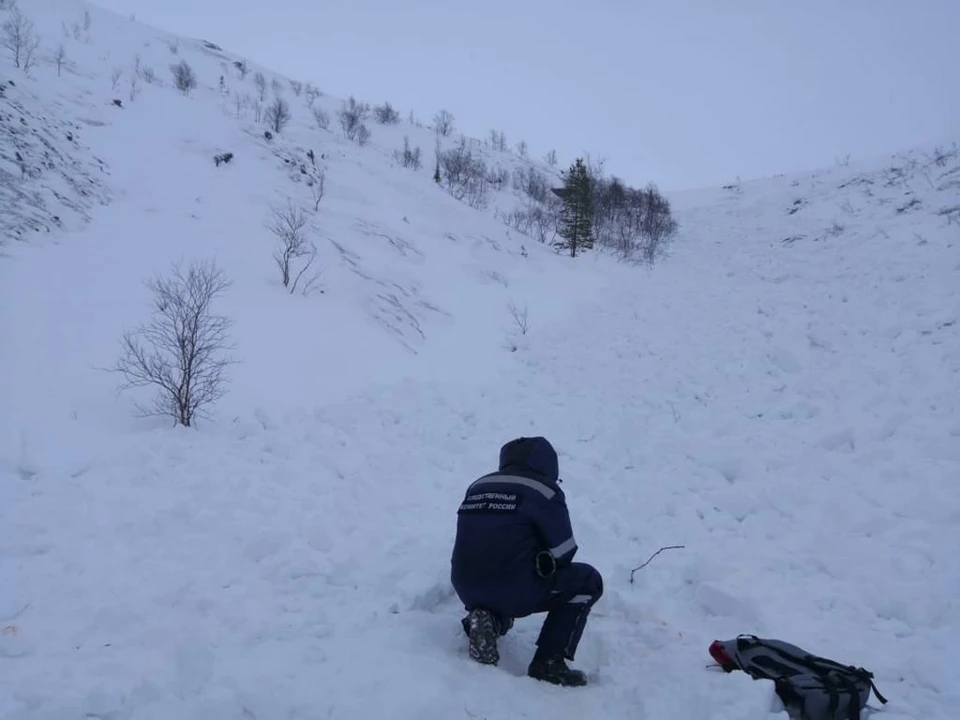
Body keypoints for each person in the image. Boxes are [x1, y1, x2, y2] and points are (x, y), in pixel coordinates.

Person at [450, 436, 604, 687]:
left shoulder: (477, 485)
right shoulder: (543, 490)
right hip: (514, 587)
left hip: (465, 585)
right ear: (548, 464)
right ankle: (549, 662)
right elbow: (564, 551)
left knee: (502, 577)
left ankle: (489, 619)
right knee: (587, 581)